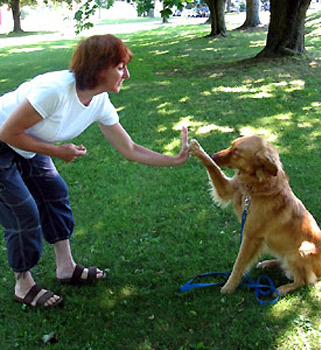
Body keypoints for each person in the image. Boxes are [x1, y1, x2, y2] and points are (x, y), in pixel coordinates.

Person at [0, 34, 189, 308]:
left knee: (55, 192)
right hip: (3, 138)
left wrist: (174, 159)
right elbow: (7, 132)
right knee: (23, 211)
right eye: (121, 67)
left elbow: (130, 149)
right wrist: (57, 151)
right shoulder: (54, 90)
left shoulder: (99, 101)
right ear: (99, 68)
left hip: (25, 141)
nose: (127, 74)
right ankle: (23, 282)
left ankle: (66, 267)